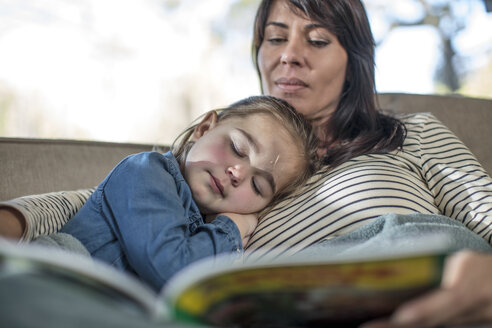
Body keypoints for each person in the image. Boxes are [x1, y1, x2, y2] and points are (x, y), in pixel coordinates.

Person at [0, 0, 491, 326]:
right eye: (276, 38)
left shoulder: (413, 133)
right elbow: (107, 200)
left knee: (433, 241)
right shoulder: (209, 162)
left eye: (317, 40)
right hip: (230, 306)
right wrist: (19, 217)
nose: (289, 56)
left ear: (355, 60)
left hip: (389, 270)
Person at [38, 95, 319, 292]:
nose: (238, 173)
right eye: (238, 148)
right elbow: (170, 269)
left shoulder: (205, 236)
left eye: (258, 186)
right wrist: (231, 228)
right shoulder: (146, 171)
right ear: (205, 127)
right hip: (49, 281)